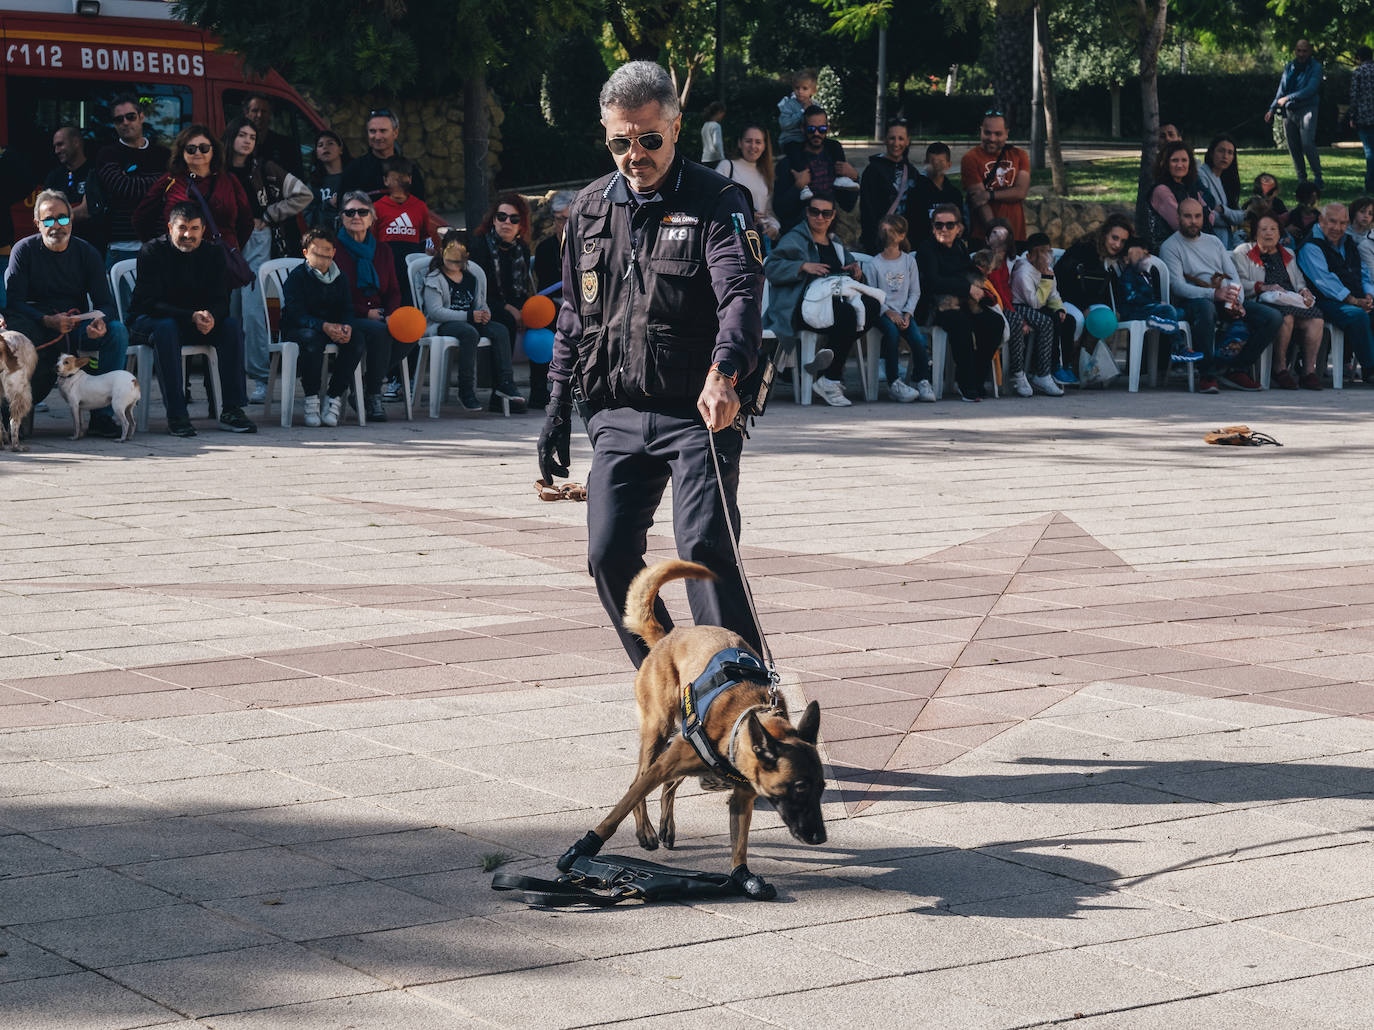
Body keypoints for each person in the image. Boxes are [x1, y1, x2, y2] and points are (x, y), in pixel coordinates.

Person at [538, 60, 765, 667]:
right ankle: (672, 681)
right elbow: (573, 313)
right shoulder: (588, 208)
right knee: (609, 555)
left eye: (648, 140)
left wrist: (725, 375)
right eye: (620, 142)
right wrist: (557, 404)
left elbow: (740, 295)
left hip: (700, 410)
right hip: (616, 410)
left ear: (676, 127)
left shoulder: (718, 200)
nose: (634, 155)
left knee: (703, 551)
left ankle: (741, 694)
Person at [3, 190, 129, 437]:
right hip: (36, 328)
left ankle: (102, 417)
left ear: (71, 221)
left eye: (62, 218)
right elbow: (14, 303)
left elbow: (106, 304)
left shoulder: (87, 252)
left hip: (75, 326)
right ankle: (15, 410)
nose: (56, 226)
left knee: (118, 332)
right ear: (37, 223)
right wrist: (46, 320)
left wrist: (99, 321)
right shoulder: (24, 250)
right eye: (49, 220)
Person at [129, 200, 256, 437]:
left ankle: (232, 409)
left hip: (193, 322)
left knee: (230, 326)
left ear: (203, 229)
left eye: (194, 229)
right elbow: (149, 303)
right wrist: (191, 316)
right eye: (182, 228)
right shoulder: (152, 251)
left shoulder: (214, 253)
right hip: (151, 321)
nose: (188, 235)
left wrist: (211, 317)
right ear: (170, 228)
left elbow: (222, 301)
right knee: (166, 328)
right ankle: (177, 415)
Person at [223, 115, 313, 403]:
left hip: (256, 241)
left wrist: (269, 215)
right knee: (228, 314)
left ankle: (261, 379)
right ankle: (229, 382)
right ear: (231, 136)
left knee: (253, 312)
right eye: (242, 135)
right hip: (223, 242)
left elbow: (303, 194)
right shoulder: (216, 168)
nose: (247, 141)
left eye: (252, 137)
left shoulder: (264, 168)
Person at [764, 191, 874, 407]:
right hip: (800, 307)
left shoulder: (835, 243)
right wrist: (802, 266)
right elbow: (771, 267)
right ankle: (830, 377)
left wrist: (856, 273)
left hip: (832, 304)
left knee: (871, 305)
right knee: (847, 315)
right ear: (807, 213)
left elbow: (849, 273)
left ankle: (826, 371)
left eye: (826, 213)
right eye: (814, 212)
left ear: (833, 216)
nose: (820, 217)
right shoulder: (795, 238)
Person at [1160, 197, 1279, 393]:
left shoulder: (1214, 242)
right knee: (1205, 308)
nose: (1193, 221)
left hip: (1225, 298)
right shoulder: (1170, 246)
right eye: (1188, 216)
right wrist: (1214, 294)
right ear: (1178, 217)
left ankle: (1236, 369)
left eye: (1197, 216)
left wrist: (1237, 300)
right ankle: (1207, 374)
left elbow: (1233, 276)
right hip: (1194, 302)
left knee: (1272, 317)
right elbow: (1178, 287)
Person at [330, 191, 412, 420]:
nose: (356, 216)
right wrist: (366, 313)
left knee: (411, 331)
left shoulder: (383, 250)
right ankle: (374, 394)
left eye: (362, 212)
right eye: (350, 212)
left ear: (372, 217)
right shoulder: (333, 249)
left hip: (379, 314)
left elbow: (393, 290)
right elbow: (333, 295)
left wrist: (392, 314)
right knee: (380, 332)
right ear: (342, 217)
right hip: (346, 315)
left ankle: (365, 385)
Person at [421, 231, 524, 413]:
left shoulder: (472, 278)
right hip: (445, 324)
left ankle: (505, 383)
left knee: (500, 330)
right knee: (469, 333)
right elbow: (435, 312)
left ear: (466, 255)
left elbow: (481, 304)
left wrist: (485, 314)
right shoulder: (435, 278)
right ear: (442, 251)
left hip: (471, 320)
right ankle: (466, 389)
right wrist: (469, 316)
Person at [917, 202, 1003, 401]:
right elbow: (933, 282)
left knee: (995, 323)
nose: (944, 229)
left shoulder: (959, 247)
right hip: (935, 306)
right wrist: (967, 288)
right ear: (932, 227)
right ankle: (967, 384)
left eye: (949, 225)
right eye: (939, 225)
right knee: (961, 324)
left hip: (962, 302)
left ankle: (975, 378)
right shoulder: (926, 249)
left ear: (958, 228)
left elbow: (967, 272)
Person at [280, 228, 363, 427]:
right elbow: (296, 314)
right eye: (316, 252)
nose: (323, 257)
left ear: (333, 252)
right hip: (300, 329)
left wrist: (347, 327)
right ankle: (311, 398)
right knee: (312, 341)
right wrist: (323, 326)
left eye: (327, 251)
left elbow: (347, 309)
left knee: (356, 340)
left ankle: (334, 397)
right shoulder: (297, 277)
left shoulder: (340, 277)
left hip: (331, 329)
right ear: (305, 253)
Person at [1231, 210, 1323, 390]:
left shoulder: (1288, 253)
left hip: (1289, 299)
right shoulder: (1243, 252)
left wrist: (1304, 291)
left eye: (1273, 229)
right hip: (1263, 301)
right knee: (1286, 317)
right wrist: (1263, 287)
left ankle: (1308, 372)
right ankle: (1279, 368)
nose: (1269, 233)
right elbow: (1239, 282)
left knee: (1317, 318)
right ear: (1255, 232)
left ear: (1280, 233)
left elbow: (1298, 281)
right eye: (1263, 229)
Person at [133, 124, 253, 252]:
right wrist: (160, 249)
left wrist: (232, 248)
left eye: (204, 148)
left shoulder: (229, 180)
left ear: (213, 150)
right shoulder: (170, 180)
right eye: (191, 149)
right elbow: (141, 218)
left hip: (222, 258)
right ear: (182, 152)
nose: (197, 152)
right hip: (180, 258)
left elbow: (246, 222)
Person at [1297, 202, 1374, 382]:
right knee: (1357, 315)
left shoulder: (1348, 242)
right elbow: (1324, 282)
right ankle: (1370, 368)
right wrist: (1355, 301)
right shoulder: (1311, 245)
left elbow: (1362, 271)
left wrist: (1367, 295)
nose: (1338, 228)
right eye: (1333, 221)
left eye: (1343, 223)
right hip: (1321, 301)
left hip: (1352, 297)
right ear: (1321, 220)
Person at [469, 193, 534, 409]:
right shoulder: (480, 246)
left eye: (514, 219)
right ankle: (501, 393)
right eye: (502, 217)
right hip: (482, 306)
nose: (507, 222)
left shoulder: (521, 249)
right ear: (493, 220)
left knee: (543, 322)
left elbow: (521, 291)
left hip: (510, 306)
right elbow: (478, 292)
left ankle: (541, 393)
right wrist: (510, 309)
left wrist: (523, 310)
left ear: (520, 225)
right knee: (505, 320)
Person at [94, 95, 171, 271]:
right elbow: (123, 187)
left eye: (130, 116)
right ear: (114, 124)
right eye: (119, 119)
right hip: (121, 248)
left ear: (141, 116)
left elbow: (173, 186)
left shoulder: (163, 154)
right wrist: (161, 182)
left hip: (159, 245)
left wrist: (133, 180)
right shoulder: (107, 154)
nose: (125, 123)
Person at [1056, 214, 1133, 384]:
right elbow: (1064, 280)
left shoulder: (1117, 259)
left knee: (1105, 319)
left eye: (1123, 241)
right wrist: (1084, 307)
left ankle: (1083, 364)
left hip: (1092, 302)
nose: (1117, 244)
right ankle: (1066, 363)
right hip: (1066, 299)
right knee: (1078, 319)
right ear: (1105, 234)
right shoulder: (1084, 250)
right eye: (1114, 238)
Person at [869, 214, 933, 402]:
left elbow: (915, 292)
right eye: (885, 231)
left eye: (892, 231)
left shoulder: (909, 262)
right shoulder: (874, 264)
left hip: (904, 312)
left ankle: (921, 379)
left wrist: (907, 313)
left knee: (918, 339)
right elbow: (872, 294)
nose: (888, 235)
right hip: (882, 313)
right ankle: (894, 382)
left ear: (902, 235)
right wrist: (889, 312)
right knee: (892, 334)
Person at [772, 106, 859, 232]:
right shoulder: (790, 163)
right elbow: (780, 209)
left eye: (821, 129)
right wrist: (797, 187)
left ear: (827, 129)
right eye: (811, 129)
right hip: (800, 229)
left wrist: (855, 177)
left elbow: (848, 205)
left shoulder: (835, 157)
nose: (816, 134)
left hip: (830, 227)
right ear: (803, 128)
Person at [1008, 232, 1068, 396]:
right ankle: (1040, 373)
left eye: (1047, 251)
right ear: (1029, 255)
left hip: (1039, 305)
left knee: (1063, 319)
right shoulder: (1023, 272)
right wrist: (1046, 280)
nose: (1044, 257)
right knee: (1046, 321)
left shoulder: (1048, 270)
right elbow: (1034, 303)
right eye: (1040, 252)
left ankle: (1054, 367)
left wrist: (1059, 308)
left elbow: (1054, 294)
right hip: (1020, 306)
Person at [961, 110, 1031, 239]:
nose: (992, 139)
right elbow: (980, 201)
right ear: (981, 131)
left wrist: (990, 195)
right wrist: (996, 235)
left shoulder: (1019, 155)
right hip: (984, 237)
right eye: (987, 133)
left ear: (1006, 133)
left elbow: (1021, 192)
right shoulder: (970, 158)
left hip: (1016, 234)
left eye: (998, 134)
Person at [1265, 39, 1324, 191]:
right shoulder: (1290, 67)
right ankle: (1302, 180)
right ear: (1295, 51)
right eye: (1299, 50)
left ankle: (1318, 178)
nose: (1301, 54)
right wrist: (1272, 109)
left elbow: (1311, 89)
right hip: (1289, 111)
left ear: (1310, 51)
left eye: (1304, 51)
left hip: (1308, 108)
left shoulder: (1316, 67)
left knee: (1307, 143)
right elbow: (1282, 90)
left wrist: (1288, 98)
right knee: (1294, 147)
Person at [340, 109, 426, 202]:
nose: (377, 137)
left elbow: (419, 204)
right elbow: (343, 204)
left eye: (383, 131)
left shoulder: (409, 168)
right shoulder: (354, 169)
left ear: (395, 133)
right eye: (372, 131)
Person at [859, 120, 917, 253]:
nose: (896, 143)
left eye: (901, 138)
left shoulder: (912, 171)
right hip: (880, 241)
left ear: (907, 141)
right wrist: (874, 242)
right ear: (885, 140)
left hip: (905, 242)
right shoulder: (873, 170)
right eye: (892, 138)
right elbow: (867, 210)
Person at [716, 124, 780, 242]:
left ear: (764, 146)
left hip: (758, 240)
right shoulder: (727, 166)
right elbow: (714, 202)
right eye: (748, 141)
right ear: (740, 143)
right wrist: (746, 214)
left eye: (758, 142)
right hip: (732, 238)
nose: (753, 146)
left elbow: (768, 212)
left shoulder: (766, 174)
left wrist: (774, 227)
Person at [1148, 142, 1213, 251]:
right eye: (1174, 160)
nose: (1180, 165)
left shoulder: (1189, 187)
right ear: (1165, 163)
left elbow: (1211, 217)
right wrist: (1201, 217)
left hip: (1195, 244)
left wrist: (1203, 217)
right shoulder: (1161, 191)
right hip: (1170, 249)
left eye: (1184, 160)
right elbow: (1181, 225)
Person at [44, 126, 99, 247]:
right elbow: (45, 214)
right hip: (60, 246)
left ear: (75, 142)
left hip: (91, 245)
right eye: (55, 146)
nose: (56, 151)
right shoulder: (54, 177)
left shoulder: (94, 172)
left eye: (60, 145)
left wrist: (57, 217)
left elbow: (86, 211)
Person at [908, 142, 963, 245]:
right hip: (923, 246)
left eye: (941, 162)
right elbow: (913, 227)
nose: (937, 166)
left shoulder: (954, 194)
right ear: (925, 164)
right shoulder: (916, 193)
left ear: (949, 165)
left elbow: (961, 224)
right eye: (932, 162)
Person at [1197, 135, 1245, 248]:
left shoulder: (1226, 179)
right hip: (1210, 241)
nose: (1225, 156)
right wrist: (1233, 218)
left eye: (1230, 152)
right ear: (1211, 153)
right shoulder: (1200, 176)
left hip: (1227, 241)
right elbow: (1209, 215)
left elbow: (1241, 216)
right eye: (1221, 151)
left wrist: (1223, 210)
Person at [242, 93, 303, 178]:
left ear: (270, 114)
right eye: (255, 111)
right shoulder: (237, 144)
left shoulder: (285, 145)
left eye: (264, 111)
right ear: (246, 113)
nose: (259, 115)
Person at [306, 130, 350, 230]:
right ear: (317, 154)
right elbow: (309, 219)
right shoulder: (313, 184)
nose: (325, 147)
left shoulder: (354, 176)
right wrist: (329, 205)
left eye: (330, 143)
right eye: (320, 145)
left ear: (341, 149)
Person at [534, 189, 575, 295]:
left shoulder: (587, 246)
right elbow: (545, 287)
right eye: (559, 219)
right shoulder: (544, 249)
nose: (564, 224)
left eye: (567, 219)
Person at [776, 68, 818, 168]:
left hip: (810, 138)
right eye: (797, 88)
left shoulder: (816, 105)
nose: (800, 91)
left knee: (831, 146)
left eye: (804, 88)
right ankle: (800, 174)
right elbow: (785, 124)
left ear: (813, 90)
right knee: (796, 153)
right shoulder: (788, 104)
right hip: (791, 139)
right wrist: (802, 112)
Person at [1350, 46, 1374, 195]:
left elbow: (1354, 96)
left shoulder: (1358, 72)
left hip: (1364, 117)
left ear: (1359, 57)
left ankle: (1370, 183)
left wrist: (1352, 117)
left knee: (1370, 151)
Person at [1287, 181, 1321, 247]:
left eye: (1313, 202)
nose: (1308, 205)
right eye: (1305, 200)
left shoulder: (1321, 219)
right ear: (1298, 199)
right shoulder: (1290, 215)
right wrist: (1286, 230)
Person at [1350, 195, 1374, 286]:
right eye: (1362, 211)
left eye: (1370, 214)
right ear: (1354, 212)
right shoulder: (1344, 232)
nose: (1366, 216)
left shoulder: (1370, 236)